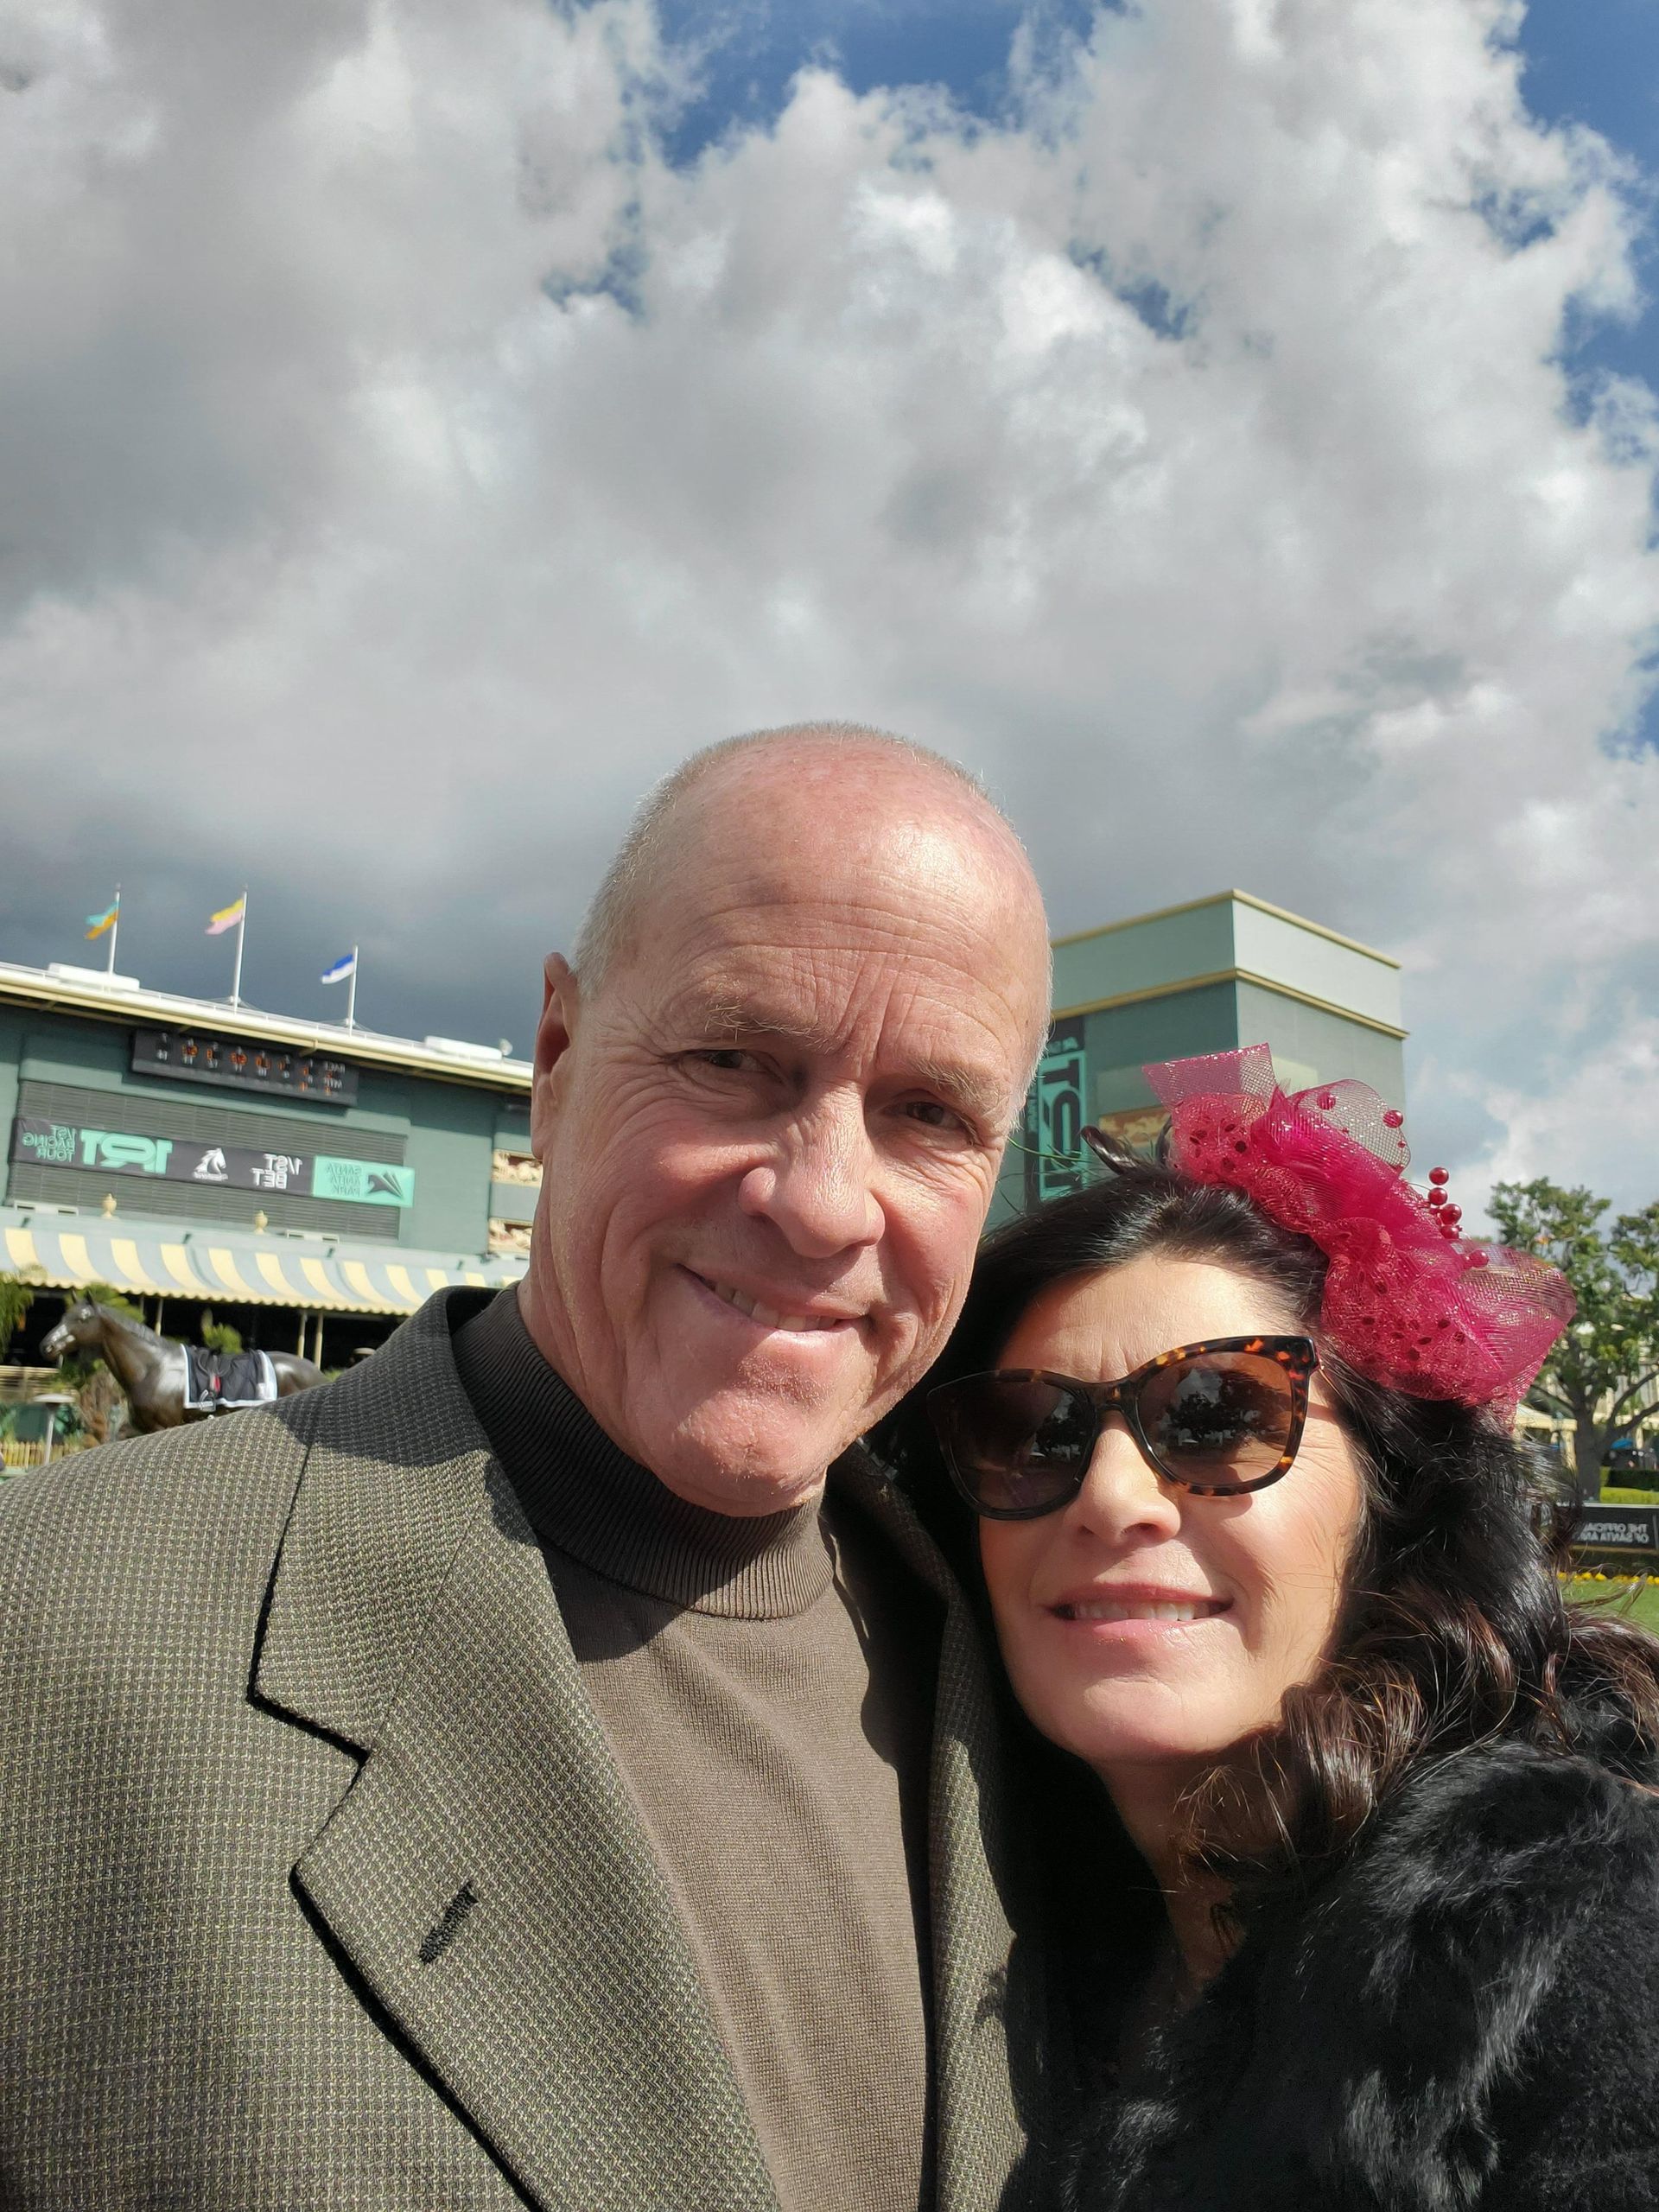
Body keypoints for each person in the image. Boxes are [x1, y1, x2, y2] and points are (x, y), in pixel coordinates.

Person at [0, 724, 1063, 2212]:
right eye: (735, 1061)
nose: (825, 1204)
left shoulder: (1053, 1701)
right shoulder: (47, 1631)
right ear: (555, 1065)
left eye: (931, 1115)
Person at [897, 1045, 1659, 2212]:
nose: (1108, 1494)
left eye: (1215, 1413)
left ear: (1392, 1501)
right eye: (1033, 1430)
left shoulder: (1589, 1948)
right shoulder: (1014, 1934)